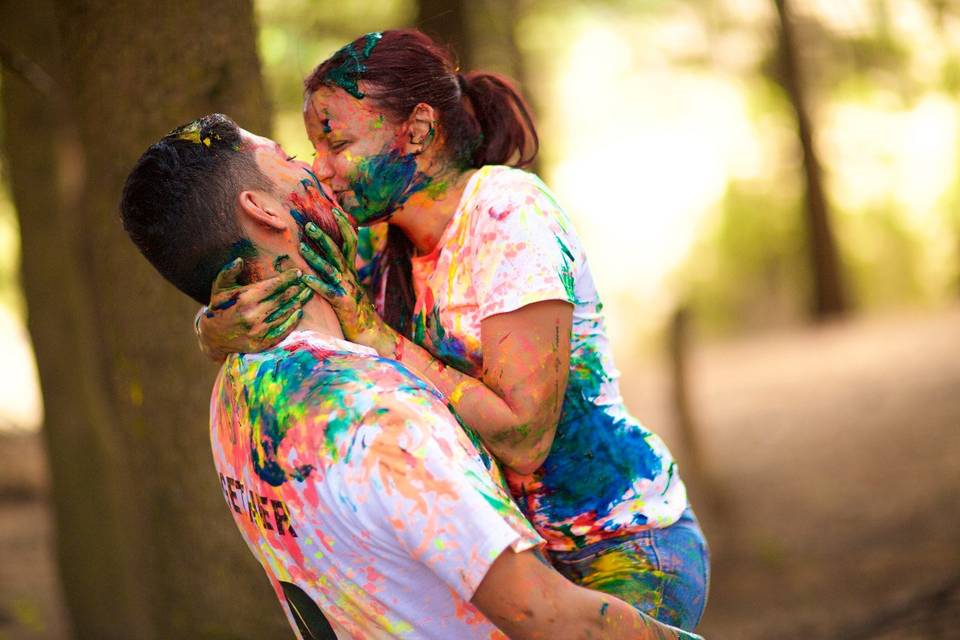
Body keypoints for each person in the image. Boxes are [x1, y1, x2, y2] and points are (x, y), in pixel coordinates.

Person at [119, 113, 703, 640]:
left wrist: (212, 323)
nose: (318, 170)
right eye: (294, 159)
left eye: (332, 144)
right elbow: (550, 619)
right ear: (265, 209)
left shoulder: (231, 397)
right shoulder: (381, 422)